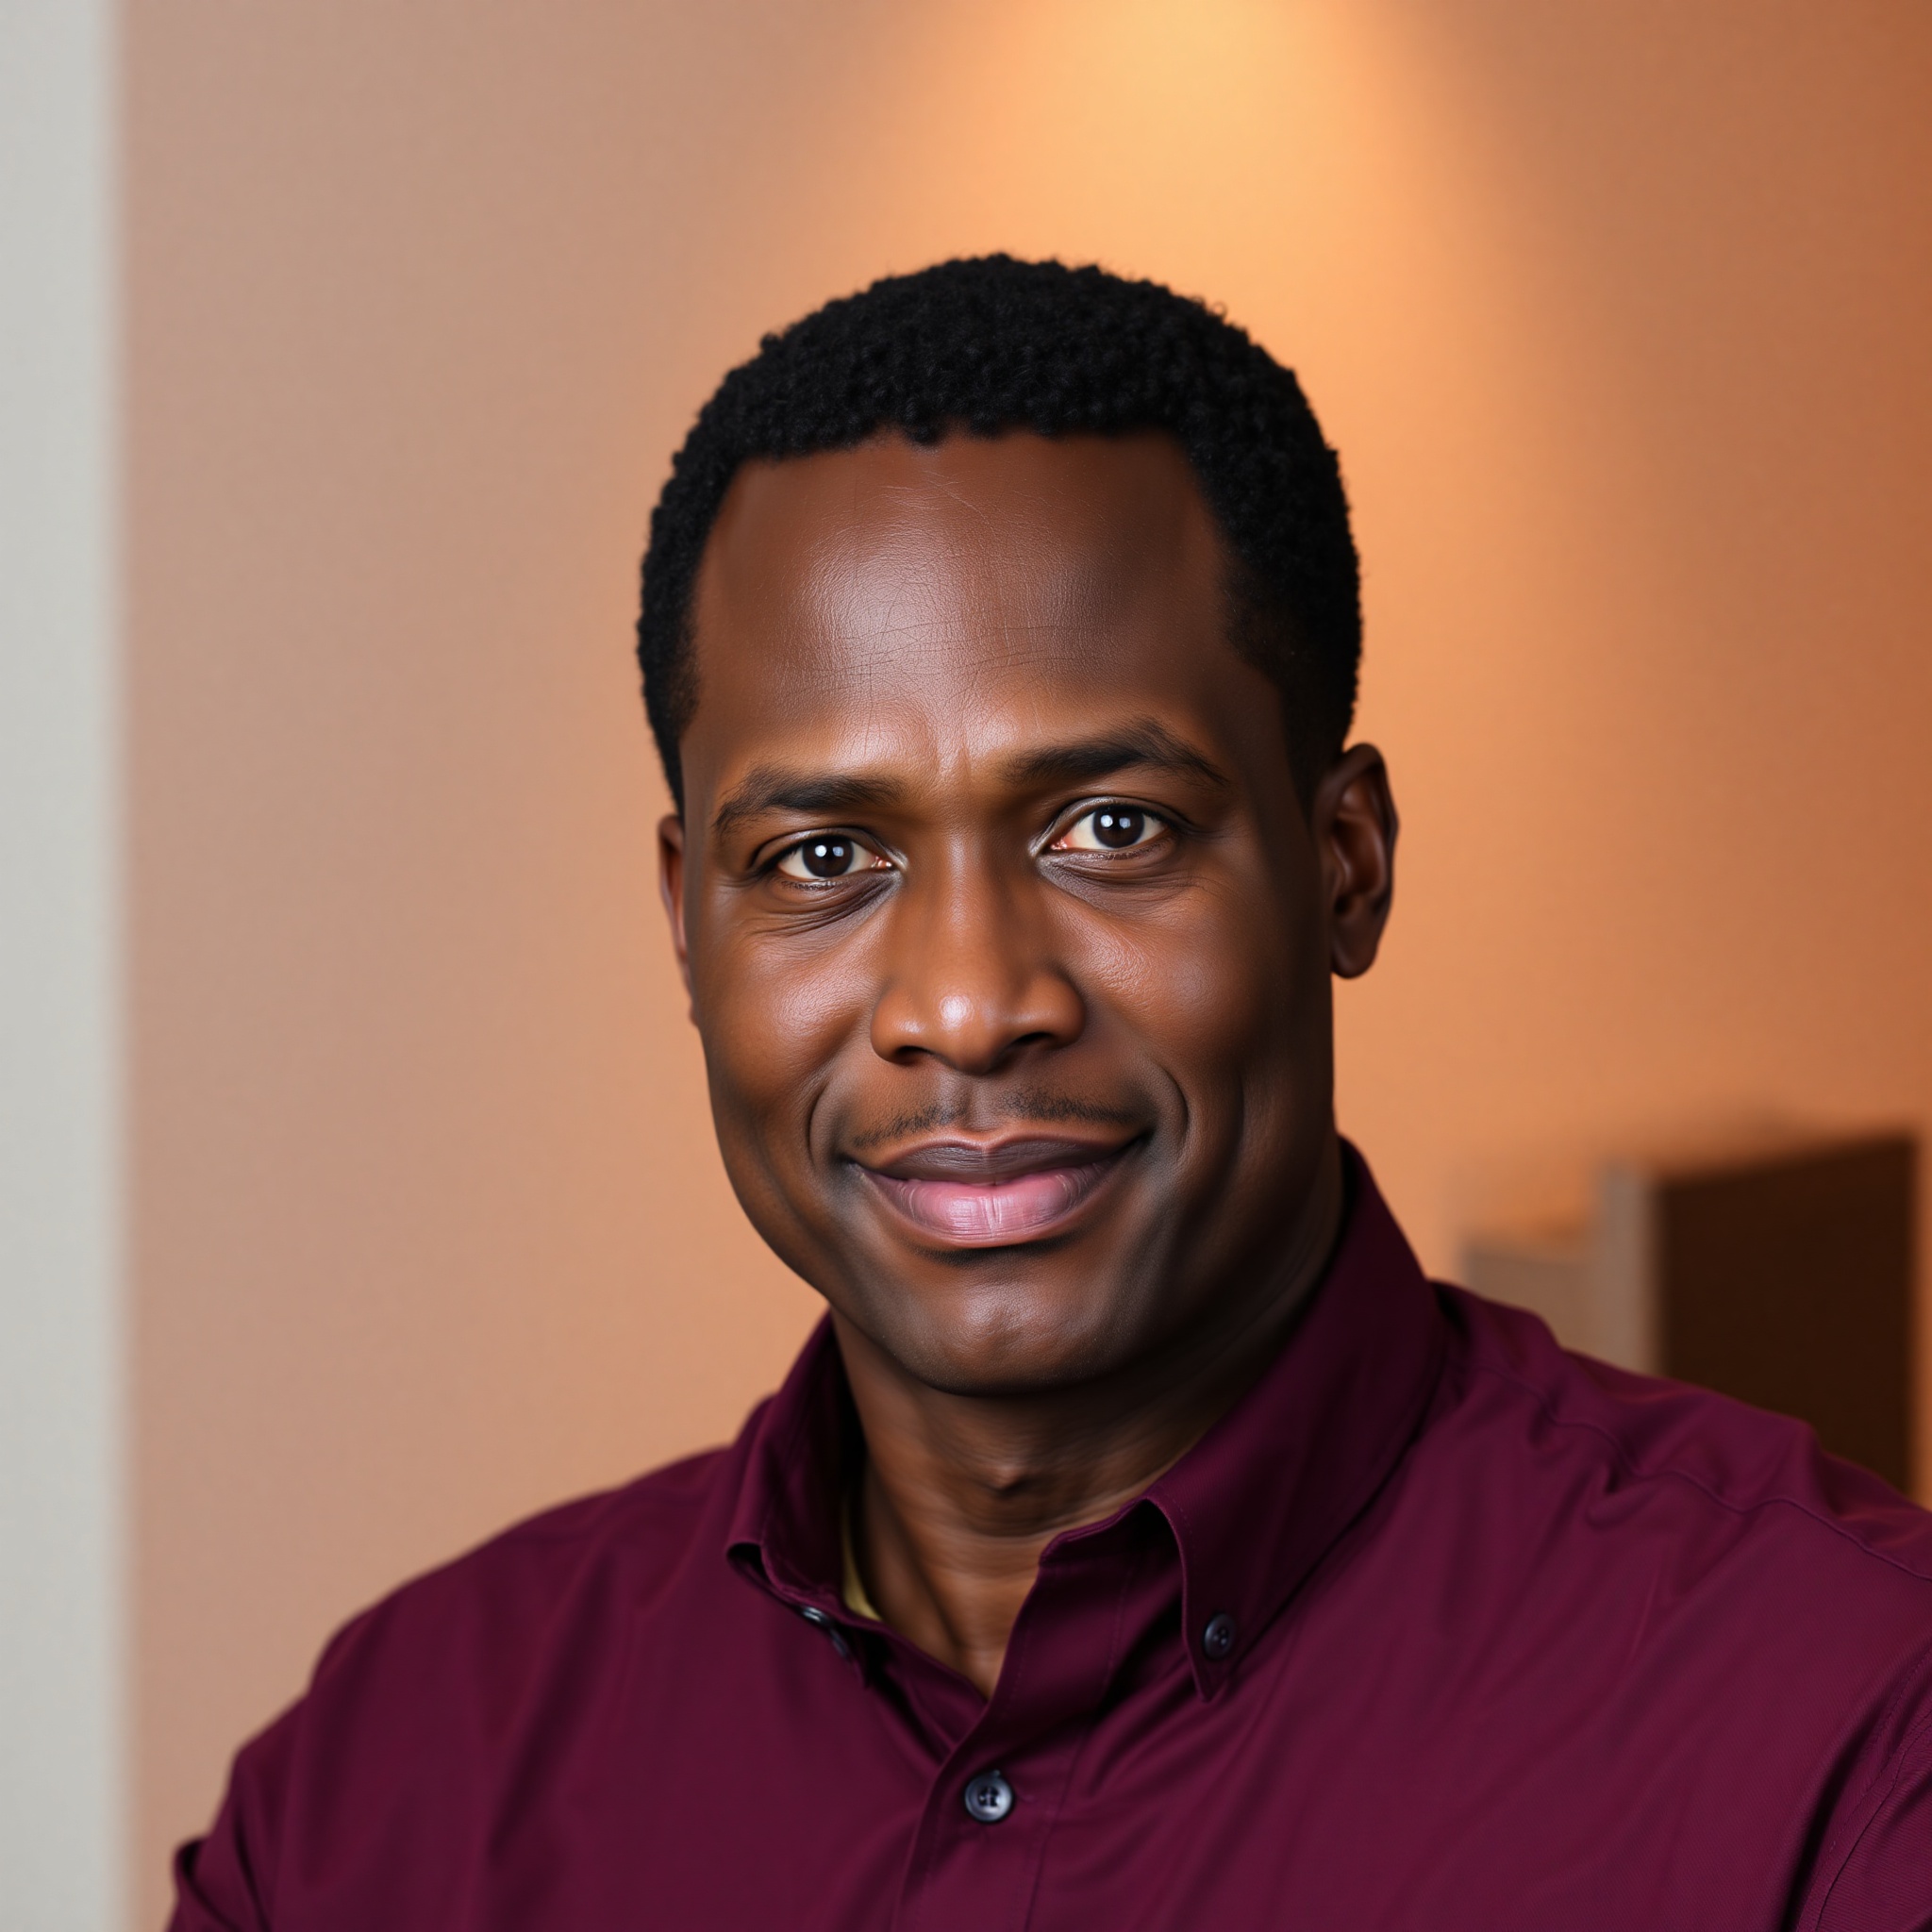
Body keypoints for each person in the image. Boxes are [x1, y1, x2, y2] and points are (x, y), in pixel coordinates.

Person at [171, 258, 1932, 1929]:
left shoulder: (1843, 1743)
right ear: (688, 926)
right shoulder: (377, 1801)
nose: (967, 1004)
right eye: (826, 855)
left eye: (1113, 830)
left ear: (1345, 867)